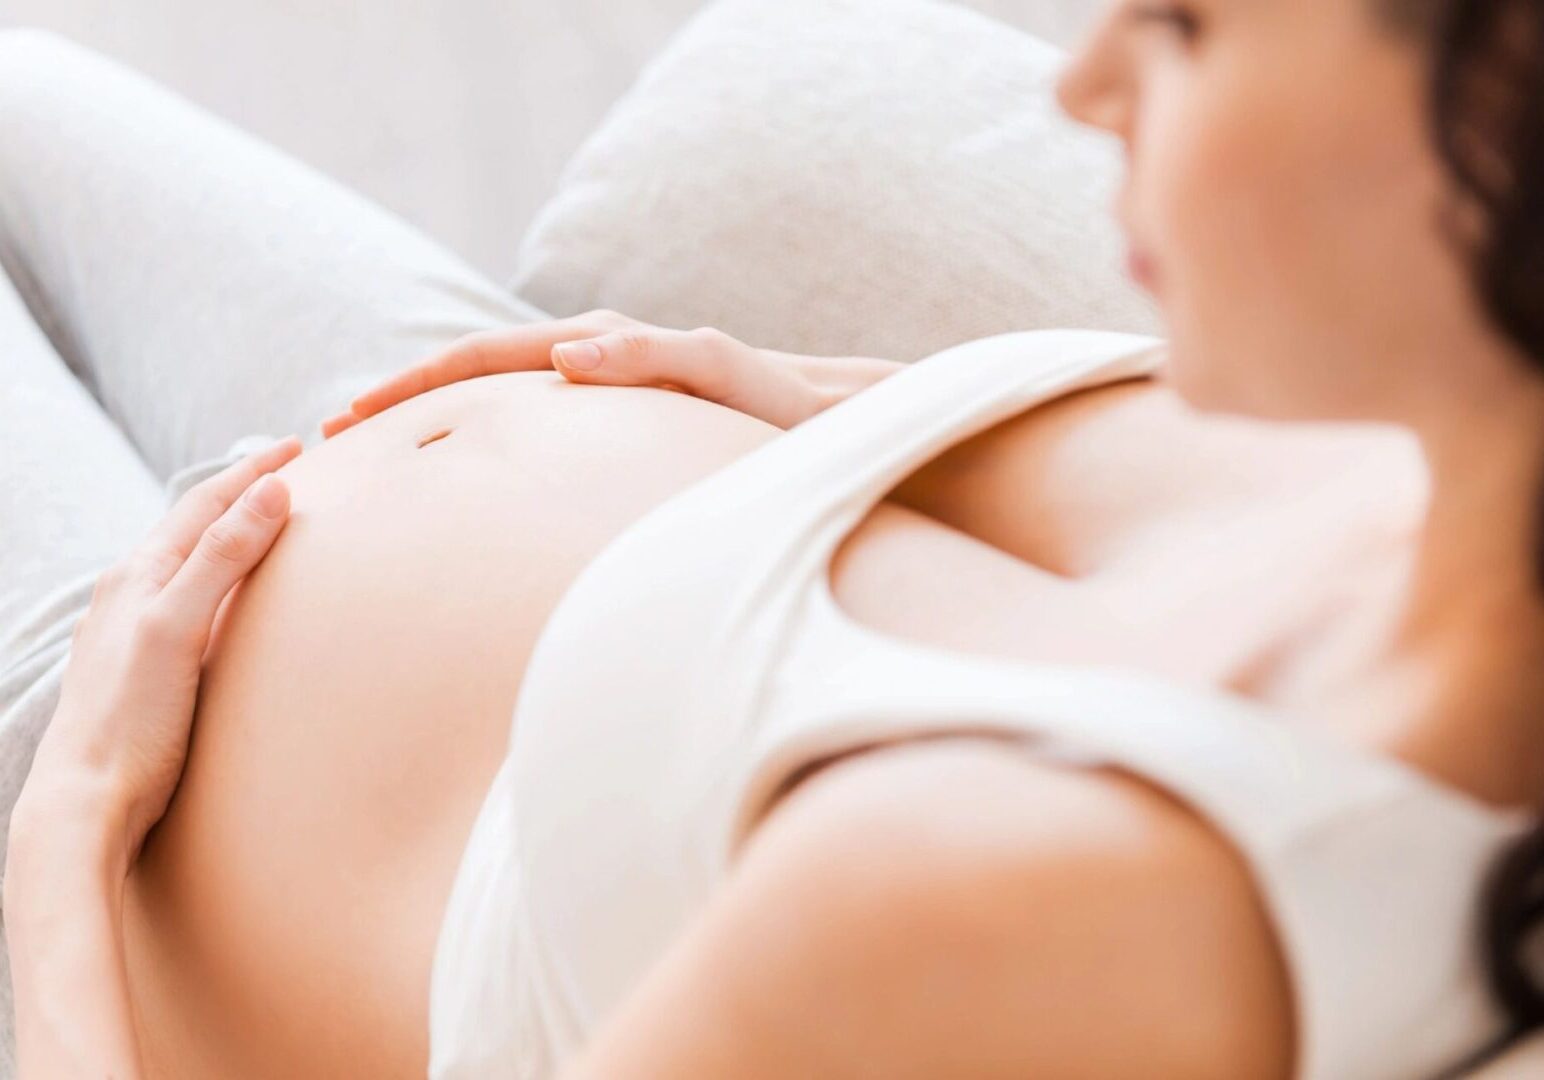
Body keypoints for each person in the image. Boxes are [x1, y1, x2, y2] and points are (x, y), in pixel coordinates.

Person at [3, 0, 1543, 1076]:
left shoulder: (1019, 900)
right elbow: (1126, 525)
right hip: (440, 418)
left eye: (1194, 25)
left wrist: (60, 838)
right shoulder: (1437, 470)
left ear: (1487, 132)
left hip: (128, 778)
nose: (1079, 84)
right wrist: (811, 396)